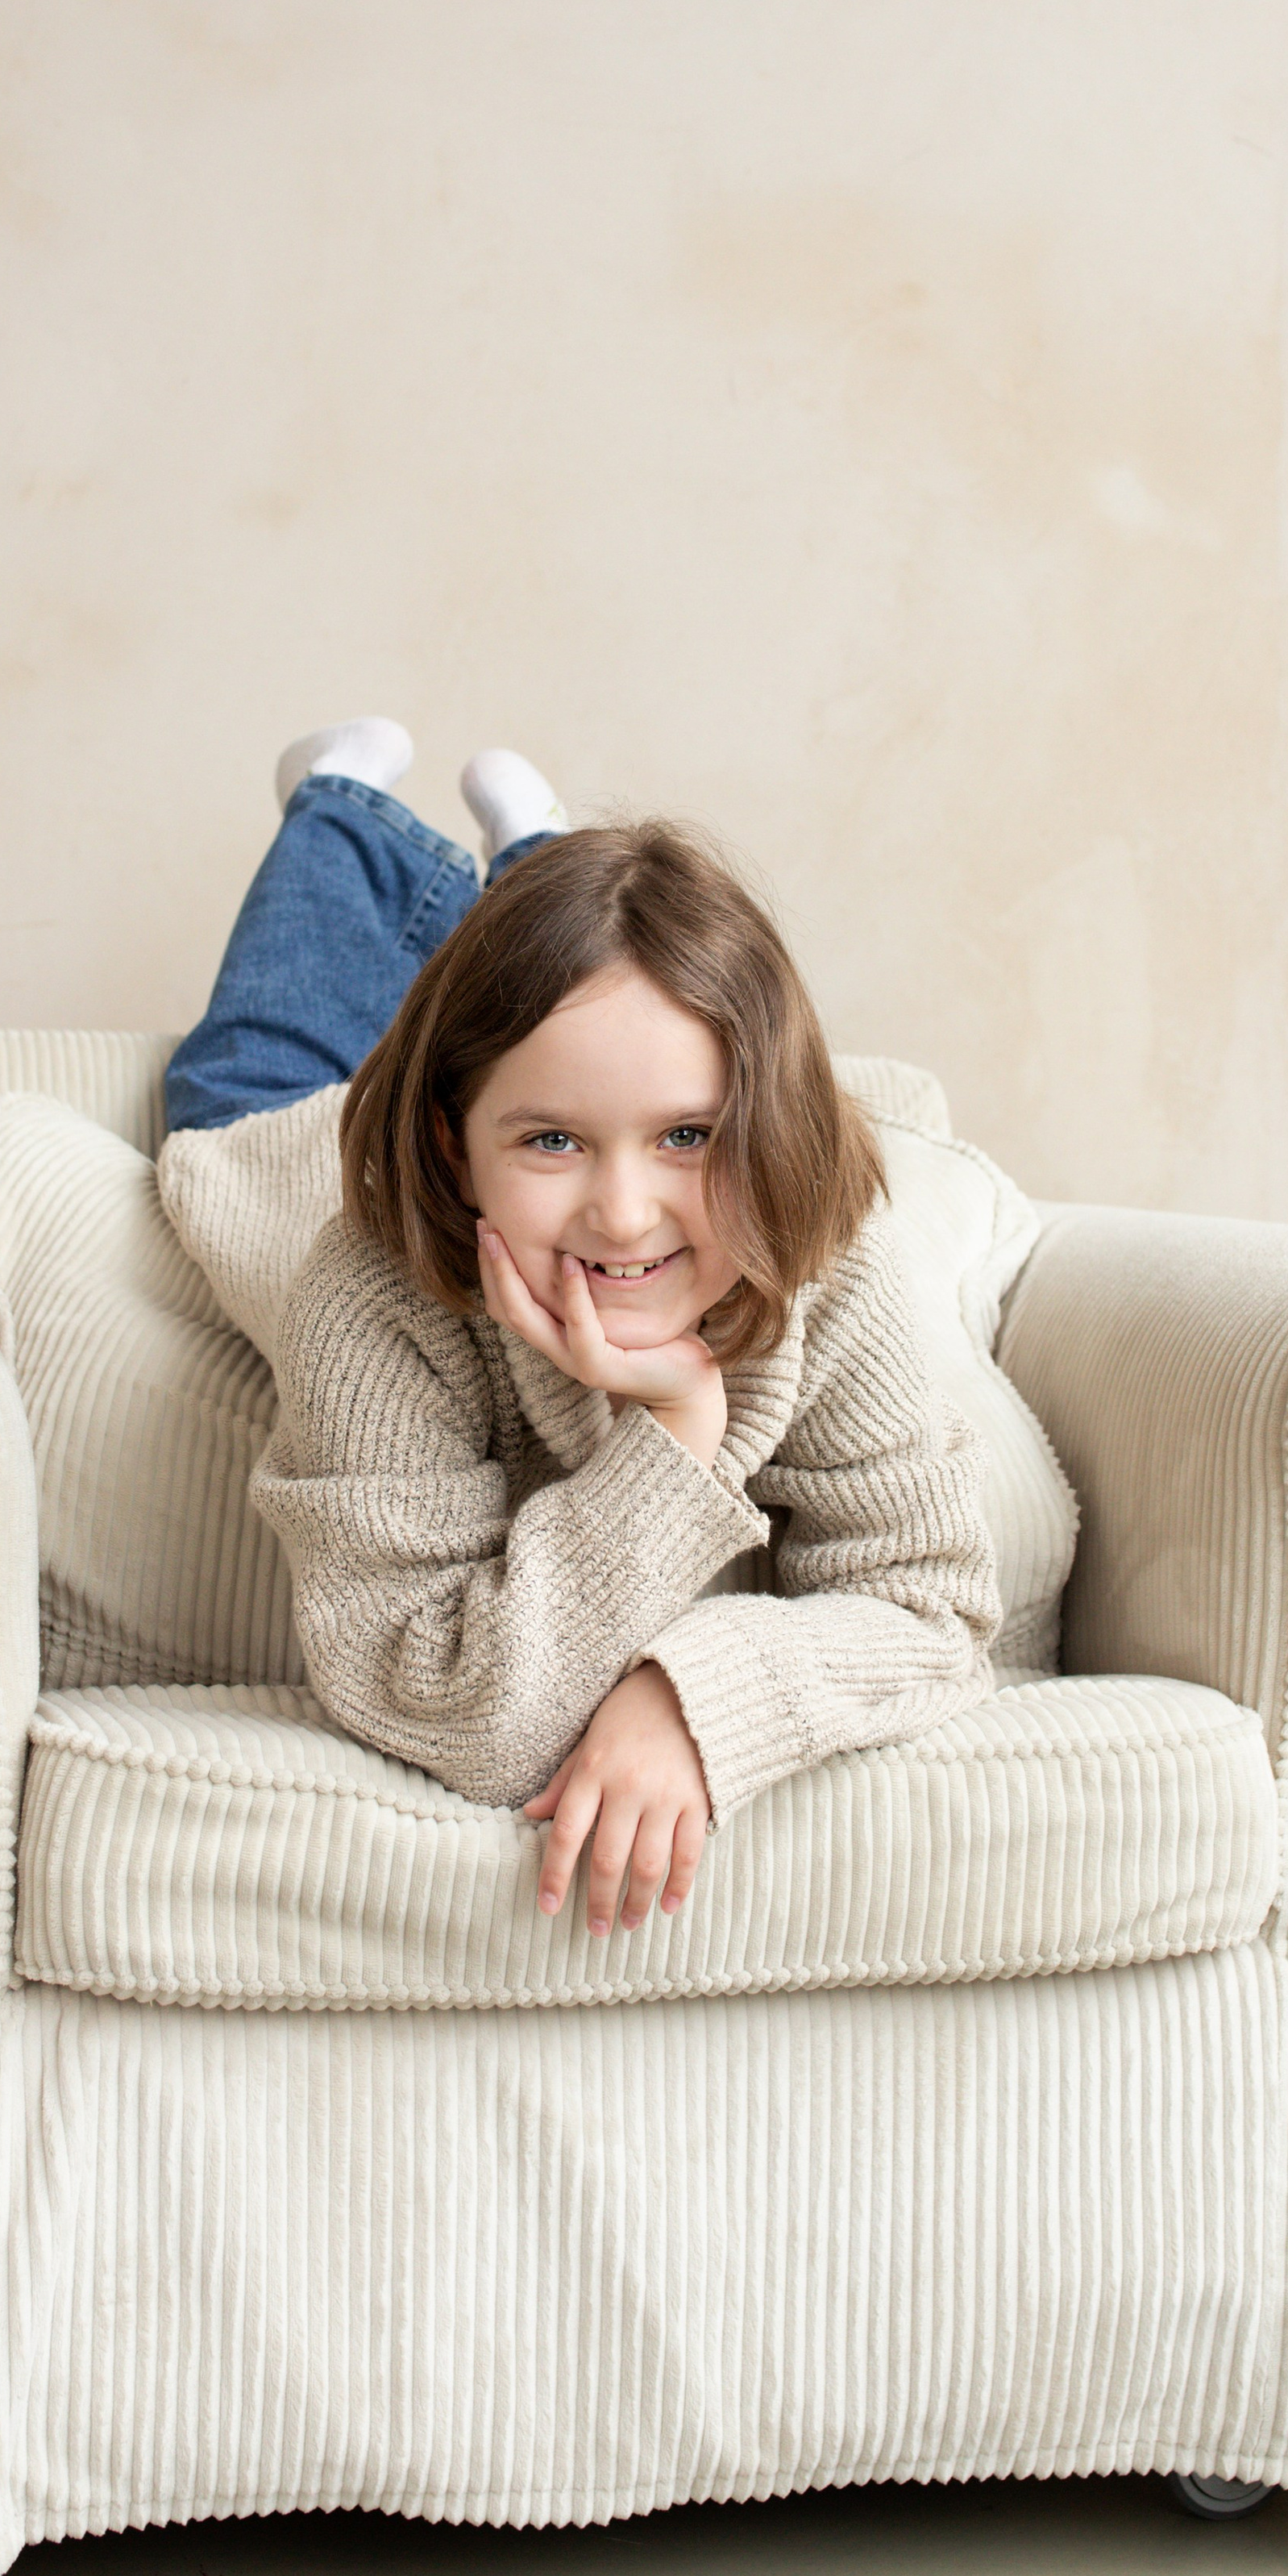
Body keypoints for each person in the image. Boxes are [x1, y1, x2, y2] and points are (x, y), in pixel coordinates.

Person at [160, 718, 1001, 1946]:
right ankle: (336, 804)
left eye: (688, 1135)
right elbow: (451, 1707)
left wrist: (691, 1696)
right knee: (263, 1051)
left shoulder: (824, 1263)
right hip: (282, 1144)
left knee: (585, 960)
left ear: (759, 1121)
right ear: (458, 1144)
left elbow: (936, 1608)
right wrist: (675, 1431)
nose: (622, 1212)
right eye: (551, 1140)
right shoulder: (371, 1292)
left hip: (537, 1058)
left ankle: (534, 858)